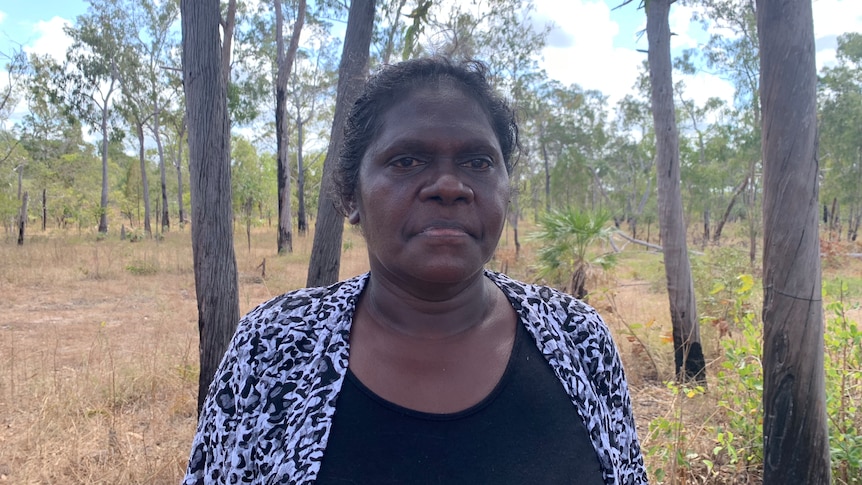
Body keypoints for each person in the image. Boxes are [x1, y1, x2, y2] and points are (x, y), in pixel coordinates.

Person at [183, 57, 648, 485]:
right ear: (351, 196)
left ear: (506, 186)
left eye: (477, 161)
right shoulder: (274, 346)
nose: (449, 185)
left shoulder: (577, 338)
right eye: (407, 160)